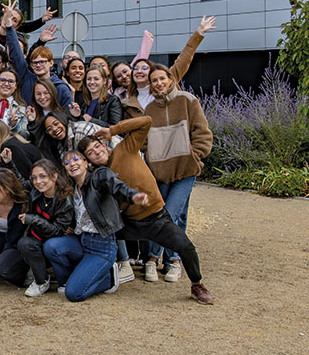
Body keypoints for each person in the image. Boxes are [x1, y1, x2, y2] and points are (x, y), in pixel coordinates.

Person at [80, 118, 215, 304]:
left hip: (156, 219)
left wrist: (113, 130)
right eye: (91, 153)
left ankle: (197, 285)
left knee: (186, 247)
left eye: (97, 147)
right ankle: (94, 273)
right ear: (88, 160)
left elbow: (146, 121)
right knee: (93, 236)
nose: (96, 152)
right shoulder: (98, 176)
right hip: (128, 223)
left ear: (103, 144)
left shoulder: (125, 148)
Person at [44, 150, 147, 302]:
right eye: (67, 163)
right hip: (81, 241)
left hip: (101, 247)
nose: (72, 164)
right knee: (51, 247)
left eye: (75, 159)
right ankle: (71, 278)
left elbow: (115, 185)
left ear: (86, 163)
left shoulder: (98, 178)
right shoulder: (72, 189)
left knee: (74, 294)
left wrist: (132, 195)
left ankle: (109, 279)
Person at [142, 63, 213, 285]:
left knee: (170, 214)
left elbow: (202, 132)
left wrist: (195, 156)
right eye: (154, 80)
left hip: (185, 170)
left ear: (170, 79)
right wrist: (150, 157)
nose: (158, 83)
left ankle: (160, 258)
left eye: (162, 78)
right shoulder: (150, 109)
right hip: (161, 173)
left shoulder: (187, 100)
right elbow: (144, 141)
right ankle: (169, 259)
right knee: (168, 215)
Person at [123, 16, 216, 118]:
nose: (139, 71)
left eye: (144, 68)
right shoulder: (128, 101)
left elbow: (184, 59)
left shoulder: (166, 84)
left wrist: (199, 33)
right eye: (136, 68)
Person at [16, 159, 75, 297]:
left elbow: (58, 231)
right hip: (39, 238)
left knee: (51, 246)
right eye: (34, 178)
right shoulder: (37, 192)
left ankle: (65, 278)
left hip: (58, 243)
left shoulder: (65, 199)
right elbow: (20, 183)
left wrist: (33, 219)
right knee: (24, 243)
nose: (38, 181)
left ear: (54, 176)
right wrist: (9, 163)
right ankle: (41, 280)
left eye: (43, 176)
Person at [3, 7, 73, 108]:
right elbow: (16, 53)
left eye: (42, 62)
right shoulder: (26, 78)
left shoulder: (61, 87)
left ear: (51, 63)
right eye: (35, 63)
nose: (38, 65)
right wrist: (9, 24)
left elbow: (68, 114)